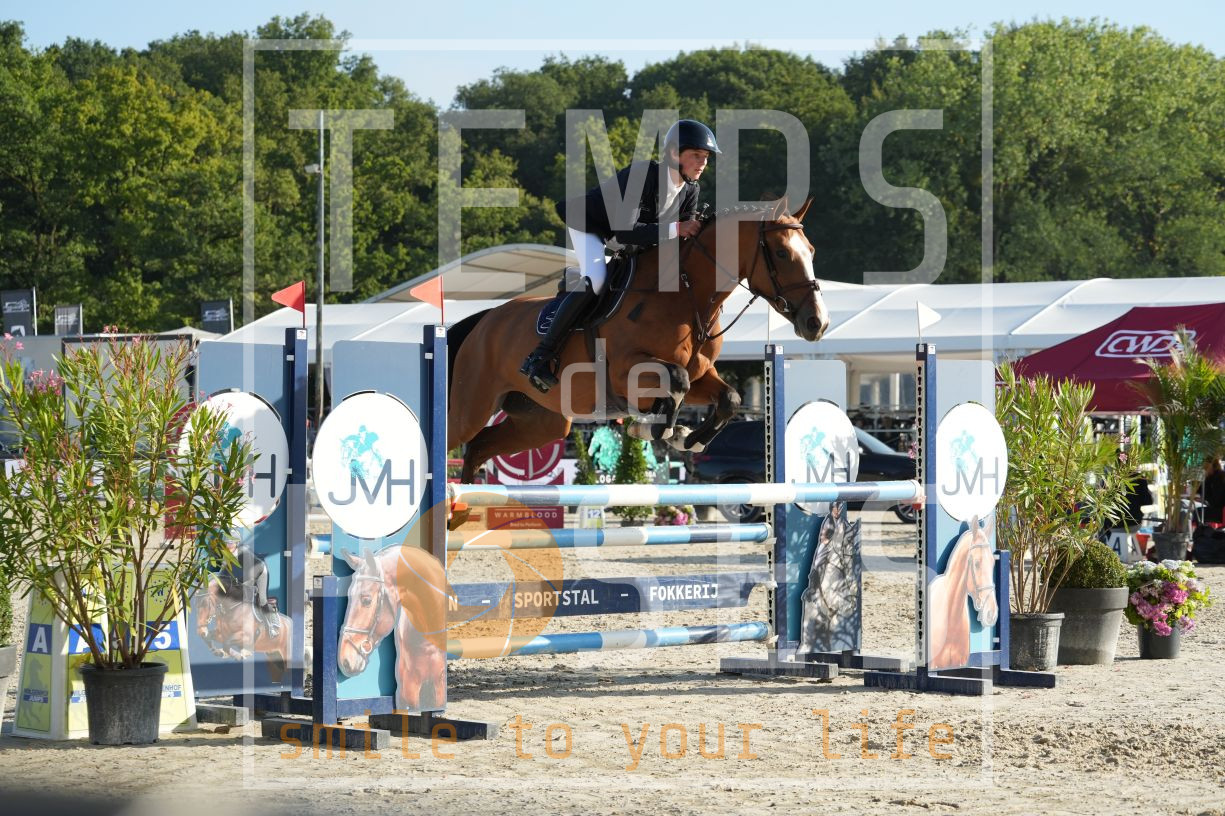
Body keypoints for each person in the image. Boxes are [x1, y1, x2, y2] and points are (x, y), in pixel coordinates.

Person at [519, 119, 721, 393]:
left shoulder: (690, 189)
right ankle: (541, 355)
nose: (703, 163)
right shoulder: (643, 176)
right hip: (592, 226)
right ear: (674, 153)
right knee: (597, 279)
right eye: (696, 155)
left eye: (706, 157)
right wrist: (677, 228)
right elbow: (627, 232)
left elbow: (681, 240)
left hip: (630, 239)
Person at [216, 535, 281, 638]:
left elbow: (251, 573)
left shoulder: (244, 552)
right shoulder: (226, 555)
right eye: (227, 543)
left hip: (259, 572)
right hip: (243, 577)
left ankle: (270, 626)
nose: (228, 545)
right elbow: (223, 574)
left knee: (262, 599)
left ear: (237, 543)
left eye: (231, 543)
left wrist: (247, 585)